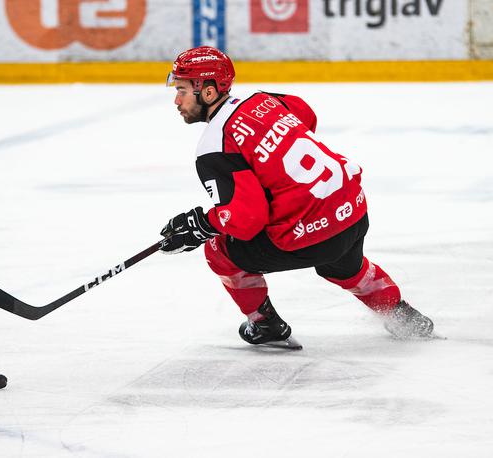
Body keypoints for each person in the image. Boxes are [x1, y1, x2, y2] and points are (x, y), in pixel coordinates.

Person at [159, 46, 434, 344]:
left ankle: (264, 325)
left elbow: (247, 219)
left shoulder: (214, 145)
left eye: (182, 90)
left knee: (218, 248)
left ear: (209, 93)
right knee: (344, 266)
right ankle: (399, 314)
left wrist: (202, 224)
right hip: (351, 210)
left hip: (313, 235)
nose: (177, 100)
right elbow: (305, 113)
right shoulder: (264, 100)